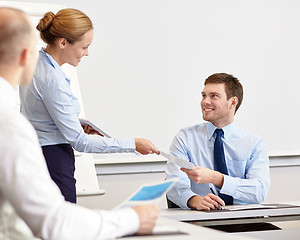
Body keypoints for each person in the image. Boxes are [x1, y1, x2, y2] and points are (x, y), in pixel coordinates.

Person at [0, 7, 159, 239]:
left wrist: (72, 121)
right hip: (55, 159)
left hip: (45, 152)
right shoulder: (48, 82)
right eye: (84, 47)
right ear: (63, 43)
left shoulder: (41, 65)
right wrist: (133, 144)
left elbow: (42, 112)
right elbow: (80, 142)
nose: (86, 54)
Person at [166, 73, 270, 212]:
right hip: (201, 218)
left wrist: (218, 178)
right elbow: (174, 184)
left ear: (233, 102)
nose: (205, 101)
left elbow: (259, 191)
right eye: (204, 95)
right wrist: (195, 200)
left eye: (213, 96)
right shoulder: (185, 137)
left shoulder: (254, 143)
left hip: (243, 218)